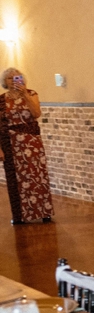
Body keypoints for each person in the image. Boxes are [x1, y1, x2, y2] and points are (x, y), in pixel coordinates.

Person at [1, 68, 53, 224]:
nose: (13, 80)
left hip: (31, 142)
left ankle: (44, 212)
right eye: (9, 78)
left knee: (37, 176)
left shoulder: (31, 94)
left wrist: (24, 94)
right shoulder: (1, 100)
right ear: (5, 82)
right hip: (10, 143)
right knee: (16, 180)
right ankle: (19, 216)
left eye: (16, 77)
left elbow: (36, 113)